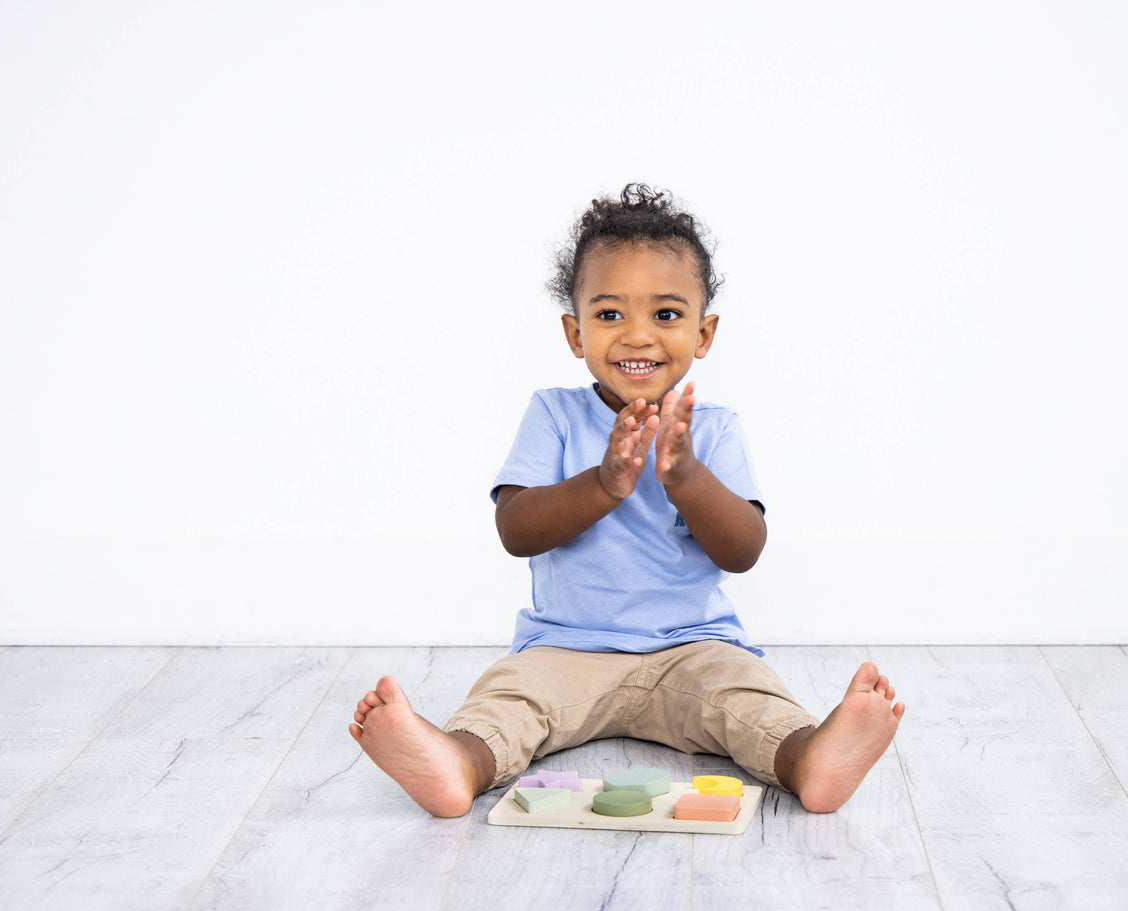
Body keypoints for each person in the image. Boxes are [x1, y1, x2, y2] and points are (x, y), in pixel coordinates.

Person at [349, 184, 905, 817]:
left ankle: (810, 757)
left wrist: (686, 476)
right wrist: (606, 482)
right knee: (507, 701)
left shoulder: (713, 428)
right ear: (574, 331)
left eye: (665, 315)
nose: (637, 336)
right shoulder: (554, 414)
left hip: (692, 650)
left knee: (748, 700)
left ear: (704, 332)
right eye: (610, 315)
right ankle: (456, 762)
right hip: (565, 651)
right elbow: (516, 531)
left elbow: (743, 550)